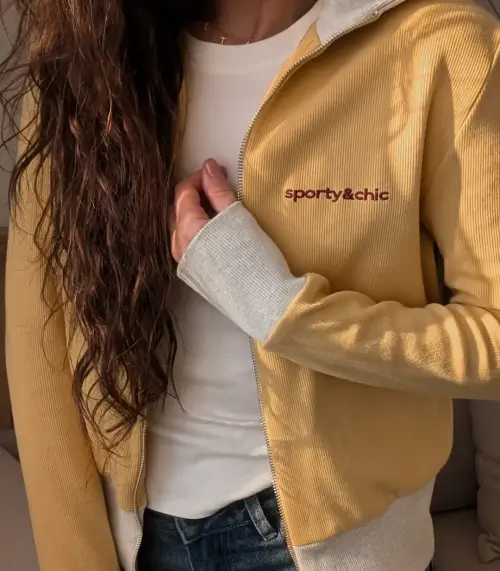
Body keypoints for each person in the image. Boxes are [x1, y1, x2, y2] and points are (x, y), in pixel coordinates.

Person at [2, 0, 500, 569]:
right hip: (142, 540)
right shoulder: (87, 57)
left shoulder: (439, 42)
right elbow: (42, 348)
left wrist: (274, 304)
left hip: (339, 550)